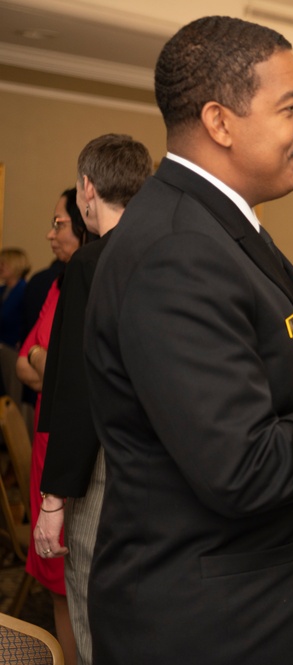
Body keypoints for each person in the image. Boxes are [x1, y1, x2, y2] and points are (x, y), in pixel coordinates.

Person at [81, 17, 293, 665]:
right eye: (290, 105)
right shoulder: (180, 249)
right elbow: (239, 466)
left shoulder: (216, 225)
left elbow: (250, 403)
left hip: (248, 599)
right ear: (220, 122)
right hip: (205, 624)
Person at [31, 133, 152, 665]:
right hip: (161, 463)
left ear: (87, 189)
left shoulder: (93, 262)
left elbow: (80, 386)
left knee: (92, 602)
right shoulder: (168, 252)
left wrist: (53, 500)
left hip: (105, 463)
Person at [15, 188, 88, 665]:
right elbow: (25, 363)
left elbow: (70, 376)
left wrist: (46, 361)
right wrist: (46, 361)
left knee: (79, 583)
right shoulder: (60, 283)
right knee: (61, 585)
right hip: (50, 442)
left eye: (59, 223)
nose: (50, 233)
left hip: (68, 442)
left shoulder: (88, 284)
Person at [0, 248, 30, 348]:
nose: (0, 267)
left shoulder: (25, 290)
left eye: (3, 263)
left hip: (13, 349)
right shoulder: (2, 290)